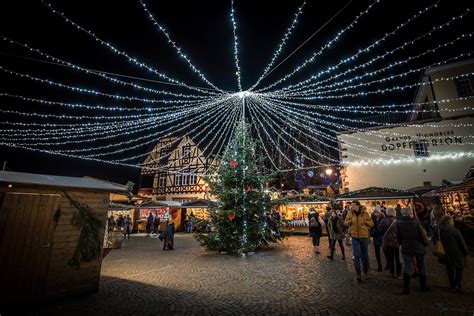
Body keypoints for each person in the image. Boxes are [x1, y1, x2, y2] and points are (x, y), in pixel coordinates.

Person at [396, 207, 430, 294]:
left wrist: (402, 243)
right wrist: (425, 243)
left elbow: (398, 236)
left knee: (408, 266)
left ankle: (406, 288)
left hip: (406, 247)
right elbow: (422, 235)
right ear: (410, 213)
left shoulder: (399, 223)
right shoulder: (415, 222)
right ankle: (423, 287)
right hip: (418, 246)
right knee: (421, 265)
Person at [344, 200, 373, 282]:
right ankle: (358, 273)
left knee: (365, 255)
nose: (351, 206)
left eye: (353, 205)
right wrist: (350, 221)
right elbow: (345, 223)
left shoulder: (365, 214)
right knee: (356, 255)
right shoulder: (350, 213)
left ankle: (366, 271)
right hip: (354, 237)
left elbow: (371, 223)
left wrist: (365, 221)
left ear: (358, 206)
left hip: (364, 237)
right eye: (351, 205)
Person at [439, 215, 469, 292]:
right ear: (450, 221)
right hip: (456, 253)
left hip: (446, 252)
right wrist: (465, 252)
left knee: (449, 268)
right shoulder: (455, 231)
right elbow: (461, 243)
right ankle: (457, 285)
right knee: (459, 268)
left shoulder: (440, 230)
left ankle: (452, 284)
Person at [379, 207, 402, 279]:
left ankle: (392, 273)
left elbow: (380, 230)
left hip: (388, 241)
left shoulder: (383, 221)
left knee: (390, 258)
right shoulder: (397, 221)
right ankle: (399, 273)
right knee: (398, 258)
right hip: (396, 241)